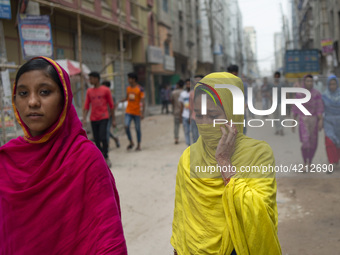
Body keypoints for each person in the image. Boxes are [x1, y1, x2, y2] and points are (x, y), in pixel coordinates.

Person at [0, 57, 127, 254]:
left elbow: (108, 238)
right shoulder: (7, 160)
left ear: (64, 98)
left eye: (45, 92)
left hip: (102, 119)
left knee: (103, 140)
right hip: (93, 118)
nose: (32, 102)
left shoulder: (85, 158)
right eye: (23, 93)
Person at [171, 72, 281, 255]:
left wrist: (224, 162)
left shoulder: (258, 154)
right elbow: (181, 215)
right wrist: (177, 248)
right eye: (199, 114)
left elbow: (261, 216)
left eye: (213, 116)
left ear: (233, 113)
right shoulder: (188, 158)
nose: (205, 124)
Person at [83, 71, 115, 167]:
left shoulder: (105, 90)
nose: (90, 80)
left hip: (104, 117)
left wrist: (113, 120)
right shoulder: (89, 91)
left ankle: (106, 156)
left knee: (103, 137)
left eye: (91, 78)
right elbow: (86, 105)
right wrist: (84, 118)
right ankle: (101, 157)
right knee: (96, 139)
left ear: (97, 79)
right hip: (93, 118)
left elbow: (111, 105)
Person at [292, 74, 324, 170]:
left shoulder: (316, 94)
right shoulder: (300, 94)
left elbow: (319, 107)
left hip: (314, 120)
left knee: (313, 143)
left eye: (311, 81)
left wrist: (320, 120)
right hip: (303, 120)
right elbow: (296, 108)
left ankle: (310, 162)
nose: (309, 83)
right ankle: (304, 163)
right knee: (306, 142)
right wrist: (293, 122)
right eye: (307, 81)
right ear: (304, 82)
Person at [121, 72, 145, 151]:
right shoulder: (128, 88)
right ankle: (131, 142)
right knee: (126, 126)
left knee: (137, 129)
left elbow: (142, 101)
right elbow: (127, 98)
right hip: (128, 111)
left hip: (137, 112)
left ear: (133, 79)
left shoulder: (140, 89)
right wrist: (120, 101)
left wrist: (142, 112)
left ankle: (138, 145)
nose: (128, 80)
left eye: (129, 79)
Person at [322, 75, 340, 170]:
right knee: (329, 142)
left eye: (334, 84)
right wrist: (320, 120)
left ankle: (336, 160)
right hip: (328, 121)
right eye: (330, 84)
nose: (332, 86)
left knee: (338, 143)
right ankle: (331, 162)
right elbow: (321, 109)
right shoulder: (324, 96)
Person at [102, 80, 120, 149]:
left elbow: (113, 106)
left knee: (106, 130)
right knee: (105, 130)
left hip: (109, 115)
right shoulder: (102, 94)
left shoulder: (111, 95)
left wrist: (111, 114)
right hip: (103, 115)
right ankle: (115, 139)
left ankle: (107, 145)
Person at [189, 75, 204, 144]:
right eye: (196, 80)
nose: (197, 81)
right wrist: (190, 117)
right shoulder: (192, 93)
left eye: (199, 79)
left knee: (204, 136)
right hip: (194, 117)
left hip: (204, 118)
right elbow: (191, 106)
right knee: (194, 136)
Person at [171, 79, 184, 144]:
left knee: (176, 126)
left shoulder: (174, 93)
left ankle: (176, 138)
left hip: (176, 111)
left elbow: (172, 102)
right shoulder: (185, 92)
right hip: (184, 111)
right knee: (185, 125)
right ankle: (186, 137)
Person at [179, 79, 191, 146]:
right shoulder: (182, 94)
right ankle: (188, 145)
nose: (188, 85)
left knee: (193, 132)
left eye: (189, 84)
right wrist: (180, 116)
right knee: (186, 131)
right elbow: (181, 105)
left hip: (192, 116)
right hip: (184, 115)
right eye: (187, 84)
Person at [272, 71, 284, 136]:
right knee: (275, 116)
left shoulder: (282, 84)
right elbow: (268, 92)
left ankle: (281, 129)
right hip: (274, 103)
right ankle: (277, 129)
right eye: (275, 76)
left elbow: (285, 92)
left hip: (281, 101)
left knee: (281, 116)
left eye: (278, 76)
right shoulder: (271, 84)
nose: (277, 77)